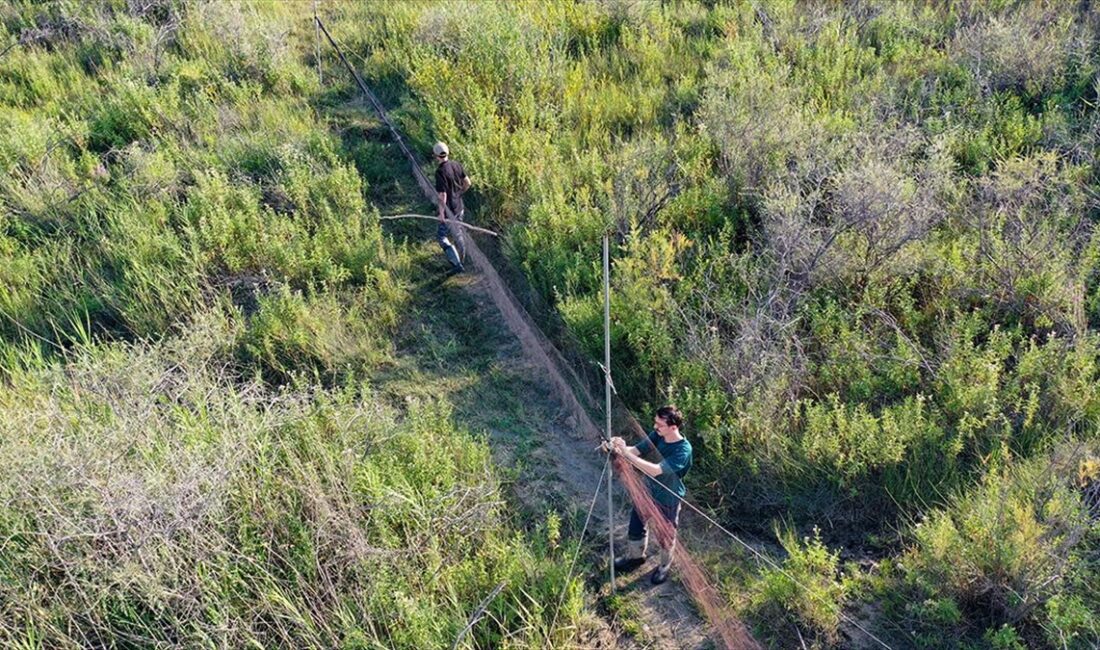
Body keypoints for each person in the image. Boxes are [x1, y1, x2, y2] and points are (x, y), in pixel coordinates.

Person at [607, 405, 693, 585]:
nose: (655, 428)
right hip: (647, 491)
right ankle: (636, 557)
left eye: (659, 425)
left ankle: (664, 567)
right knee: (636, 524)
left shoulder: (683, 450)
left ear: (673, 427)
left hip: (667, 499)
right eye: (655, 423)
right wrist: (616, 447)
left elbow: (656, 471)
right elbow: (636, 451)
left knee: (666, 535)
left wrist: (627, 455)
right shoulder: (658, 435)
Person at [433, 141, 471, 273]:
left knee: (441, 236)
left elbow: (442, 195)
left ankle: (457, 264)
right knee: (458, 232)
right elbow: (467, 183)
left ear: (436, 156)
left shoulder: (440, 172)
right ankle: (462, 257)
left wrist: (442, 213)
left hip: (449, 210)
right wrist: (459, 193)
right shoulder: (457, 165)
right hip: (459, 207)